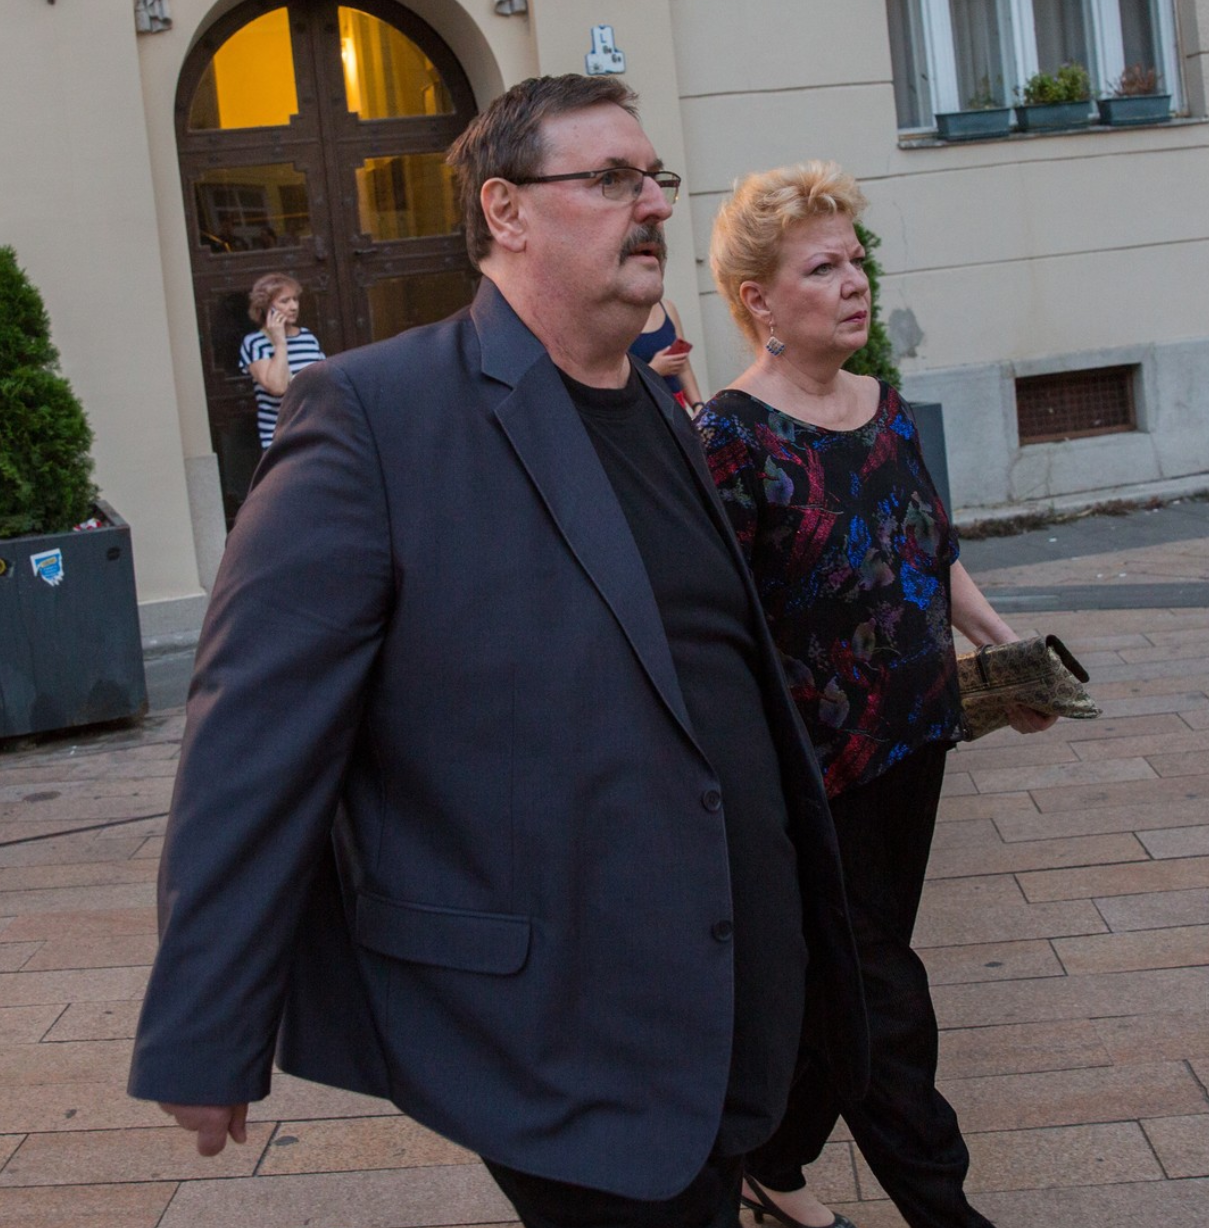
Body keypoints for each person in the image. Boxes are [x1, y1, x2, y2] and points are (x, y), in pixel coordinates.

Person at [128, 75, 866, 1228]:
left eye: (655, 178)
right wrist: (203, 1026)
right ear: (505, 210)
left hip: (724, 996)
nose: (654, 204)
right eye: (610, 178)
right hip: (560, 1028)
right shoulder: (375, 416)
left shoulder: (661, 410)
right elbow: (251, 738)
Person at [697, 161, 1053, 1228]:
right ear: (759, 300)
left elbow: (930, 552)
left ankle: (768, 1163)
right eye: (822, 268)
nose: (854, 282)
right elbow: (711, 622)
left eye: (856, 261)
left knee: (840, 985)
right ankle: (946, 1209)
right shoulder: (729, 437)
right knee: (882, 994)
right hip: (811, 777)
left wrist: (1007, 654)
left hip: (915, 744)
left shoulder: (884, 409)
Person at [239, 272, 325, 449]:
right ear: (266, 307)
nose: (293, 306)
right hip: (280, 439)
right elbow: (277, 387)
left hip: (317, 431)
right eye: (284, 301)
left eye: (295, 299)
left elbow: (324, 382)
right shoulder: (255, 342)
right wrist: (280, 342)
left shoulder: (307, 337)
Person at [632, 298, 704, 410]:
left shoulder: (667, 307)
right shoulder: (618, 315)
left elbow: (683, 367)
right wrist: (654, 370)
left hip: (674, 407)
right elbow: (615, 380)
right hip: (643, 409)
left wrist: (698, 405)